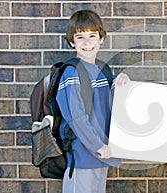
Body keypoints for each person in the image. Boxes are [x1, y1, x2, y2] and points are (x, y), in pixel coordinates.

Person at [56, 10, 130, 193]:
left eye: (92, 36)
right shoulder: (72, 72)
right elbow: (75, 116)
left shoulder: (104, 71)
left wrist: (122, 83)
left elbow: (112, 106)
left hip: (102, 153)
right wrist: (97, 145)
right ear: (72, 42)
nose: (87, 42)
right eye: (80, 37)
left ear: (101, 38)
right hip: (82, 154)